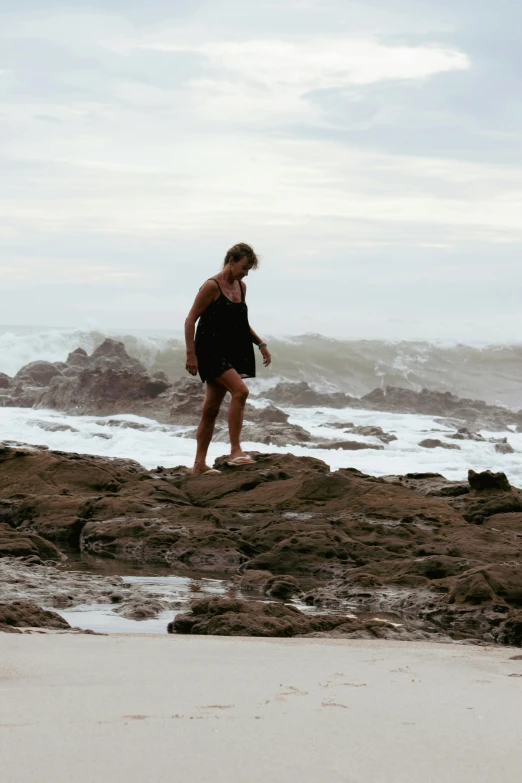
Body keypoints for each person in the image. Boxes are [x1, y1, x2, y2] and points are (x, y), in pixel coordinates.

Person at [184, 243, 272, 475]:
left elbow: (241, 322)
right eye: (244, 267)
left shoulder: (241, 287)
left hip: (230, 349)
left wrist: (260, 344)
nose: (246, 273)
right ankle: (236, 451)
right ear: (231, 261)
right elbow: (190, 319)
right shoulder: (211, 286)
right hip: (209, 350)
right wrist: (191, 355)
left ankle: (199, 465)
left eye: (249, 269)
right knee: (241, 391)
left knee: (210, 409)